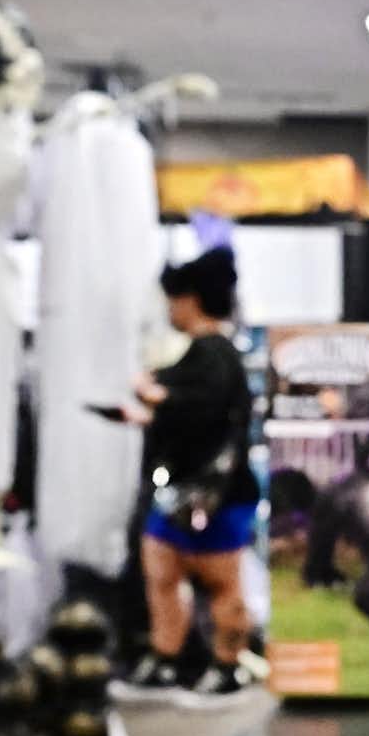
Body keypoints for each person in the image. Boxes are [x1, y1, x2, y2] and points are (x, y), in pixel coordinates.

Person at [111, 246, 259, 704]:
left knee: (220, 582)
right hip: (179, 492)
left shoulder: (215, 356)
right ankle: (168, 657)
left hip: (214, 495)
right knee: (163, 572)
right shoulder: (204, 355)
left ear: (189, 300)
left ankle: (225, 666)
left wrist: (155, 397)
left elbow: (202, 407)